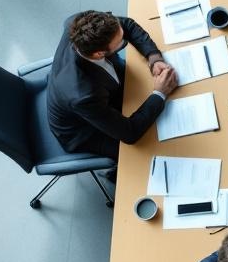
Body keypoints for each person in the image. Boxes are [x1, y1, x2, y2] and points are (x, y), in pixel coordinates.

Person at [47, 11, 177, 162]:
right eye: (122, 42)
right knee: (142, 155)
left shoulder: (79, 23)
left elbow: (127, 25)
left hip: (103, 89)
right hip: (84, 132)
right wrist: (160, 92)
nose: (124, 39)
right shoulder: (83, 95)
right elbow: (130, 133)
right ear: (99, 54)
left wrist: (154, 57)